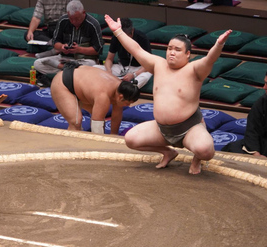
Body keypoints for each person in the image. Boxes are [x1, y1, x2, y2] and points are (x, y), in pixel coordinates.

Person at [104, 14, 232, 174]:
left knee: (205, 150)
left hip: (190, 128)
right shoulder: (158, 64)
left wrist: (219, 45)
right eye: (170, 48)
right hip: (162, 129)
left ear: (188, 54)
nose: (172, 52)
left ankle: (196, 158)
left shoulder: (194, 70)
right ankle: (167, 152)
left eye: (177, 50)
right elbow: (136, 49)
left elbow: (209, 59)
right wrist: (118, 32)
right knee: (131, 139)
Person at [50, 63, 140, 134]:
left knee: (100, 117)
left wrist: (113, 136)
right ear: (121, 97)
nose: (128, 106)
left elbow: (116, 116)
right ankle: (70, 148)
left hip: (81, 87)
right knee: (76, 121)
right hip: (63, 83)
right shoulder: (103, 96)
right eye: (128, 103)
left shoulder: (121, 88)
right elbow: (97, 126)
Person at [33, 0, 103, 77]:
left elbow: (98, 50)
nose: (73, 21)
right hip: (64, 59)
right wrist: (61, 47)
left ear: (83, 13)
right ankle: (71, 71)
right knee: (38, 63)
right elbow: (55, 42)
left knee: (92, 66)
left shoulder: (93, 24)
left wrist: (79, 49)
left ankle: (64, 70)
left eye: (77, 19)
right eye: (71, 19)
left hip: (84, 60)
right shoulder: (63, 20)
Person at [94, 17, 153, 89]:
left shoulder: (142, 38)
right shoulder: (117, 36)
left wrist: (134, 75)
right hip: (122, 67)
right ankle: (120, 87)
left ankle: (127, 89)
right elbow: (109, 59)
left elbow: (148, 64)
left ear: (132, 31)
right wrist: (109, 72)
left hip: (138, 68)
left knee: (147, 74)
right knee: (95, 68)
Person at [222, 71, 267, 157]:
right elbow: (252, 129)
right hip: (262, 143)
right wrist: (256, 154)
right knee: (231, 149)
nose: (264, 87)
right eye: (265, 83)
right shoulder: (263, 101)